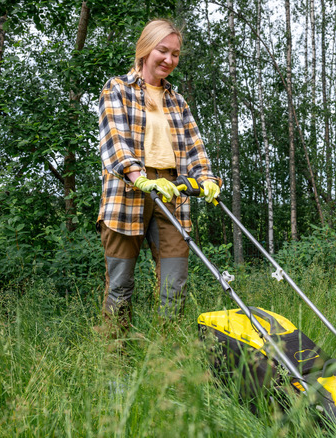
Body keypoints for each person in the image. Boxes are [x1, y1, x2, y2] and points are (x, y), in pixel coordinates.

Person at [96, 19, 221, 336]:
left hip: (172, 192)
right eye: (162, 51)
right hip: (128, 192)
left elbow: (195, 147)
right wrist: (137, 176)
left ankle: (166, 364)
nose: (169, 59)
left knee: (173, 284)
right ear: (145, 49)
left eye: (175, 54)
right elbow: (115, 139)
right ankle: (116, 367)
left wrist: (206, 178)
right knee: (120, 286)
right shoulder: (118, 89)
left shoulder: (177, 101)